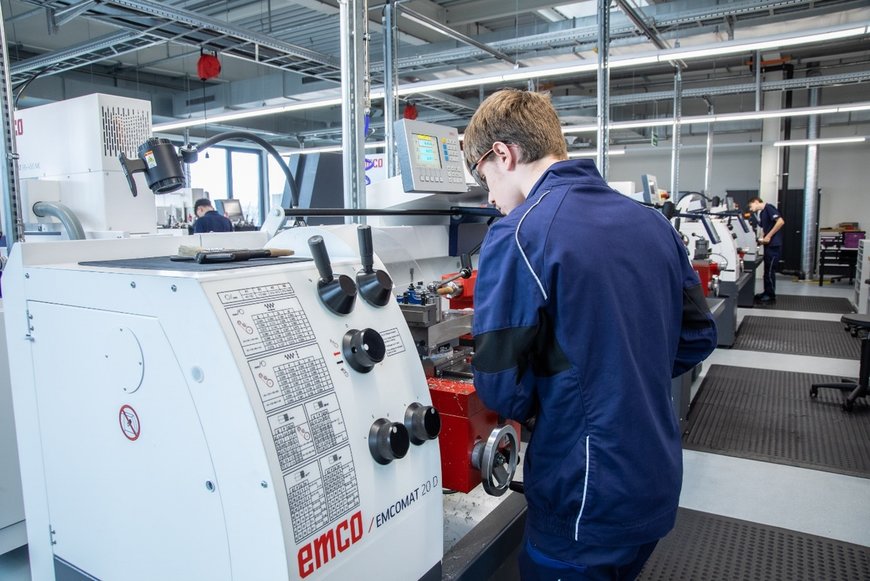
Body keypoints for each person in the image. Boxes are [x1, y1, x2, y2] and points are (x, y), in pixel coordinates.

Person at [464, 89, 718, 580]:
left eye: (484, 178)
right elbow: (697, 337)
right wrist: (620, 371)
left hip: (582, 495)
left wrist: (575, 387)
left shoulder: (519, 233)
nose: (489, 197)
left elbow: (500, 384)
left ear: (503, 153)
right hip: (654, 477)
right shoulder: (652, 222)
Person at [747, 196, 785, 303]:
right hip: (769, 245)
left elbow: (780, 222)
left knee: (769, 271)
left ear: (756, 201)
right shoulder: (762, 213)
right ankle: (766, 292)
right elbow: (765, 228)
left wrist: (768, 236)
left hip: (774, 245)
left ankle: (771, 295)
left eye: (751, 206)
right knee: (766, 271)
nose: (750, 209)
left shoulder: (769, 208)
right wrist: (762, 238)